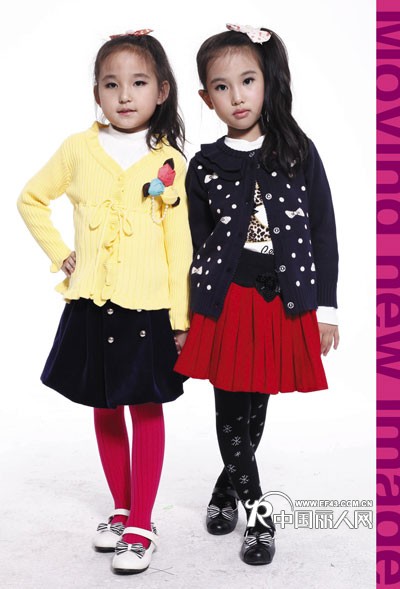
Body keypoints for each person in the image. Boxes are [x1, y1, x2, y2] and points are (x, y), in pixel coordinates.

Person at [17, 29, 192, 575]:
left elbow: (181, 245)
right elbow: (31, 199)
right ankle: (121, 508)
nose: (124, 95)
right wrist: (62, 254)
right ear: (97, 93)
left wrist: (182, 318)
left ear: (161, 91)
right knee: (104, 404)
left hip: (148, 309)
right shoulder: (78, 149)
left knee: (146, 407)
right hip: (92, 304)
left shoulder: (168, 162)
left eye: (138, 83)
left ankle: (142, 523)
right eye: (111, 84)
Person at [174, 23, 339, 566]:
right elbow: (193, 246)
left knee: (256, 412)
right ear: (206, 98)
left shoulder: (298, 152)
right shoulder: (204, 166)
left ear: (267, 80)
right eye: (222, 87)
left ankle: (226, 489)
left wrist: (325, 309)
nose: (237, 96)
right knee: (230, 410)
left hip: (280, 303)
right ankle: (259, 514)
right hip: (226, 304)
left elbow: (323, 234)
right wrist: (185, 317)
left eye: (247, 81)